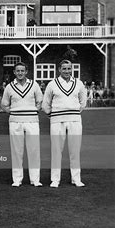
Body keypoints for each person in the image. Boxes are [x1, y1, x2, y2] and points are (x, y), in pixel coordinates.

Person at [42, 59, 87, 188]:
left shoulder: (79, 83)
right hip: (57, 120)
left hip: (75, 120)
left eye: (69, 68)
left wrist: (73, 113)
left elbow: (83, 102)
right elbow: (46, 104)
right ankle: (55, 179)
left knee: (75, 150)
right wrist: (54, 115)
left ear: (71, 69)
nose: (67, 71)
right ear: (59, 69)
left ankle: (76, 179)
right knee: (56, 150)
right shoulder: (52, 84)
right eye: (64, 69)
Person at [1, 62, 43, 187]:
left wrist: (33, 110)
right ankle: (17, 179)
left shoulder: (34, 85)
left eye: (22, 71)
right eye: (17, 71)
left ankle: (35, 179)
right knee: (16, 151)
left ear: (26, 72)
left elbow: (40, 101)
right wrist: (14, 112)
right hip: (15, 122)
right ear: (14, 72)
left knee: (34, 150)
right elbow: (4, 104)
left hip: (32, 121)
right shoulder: (9, 87)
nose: (20, 73)